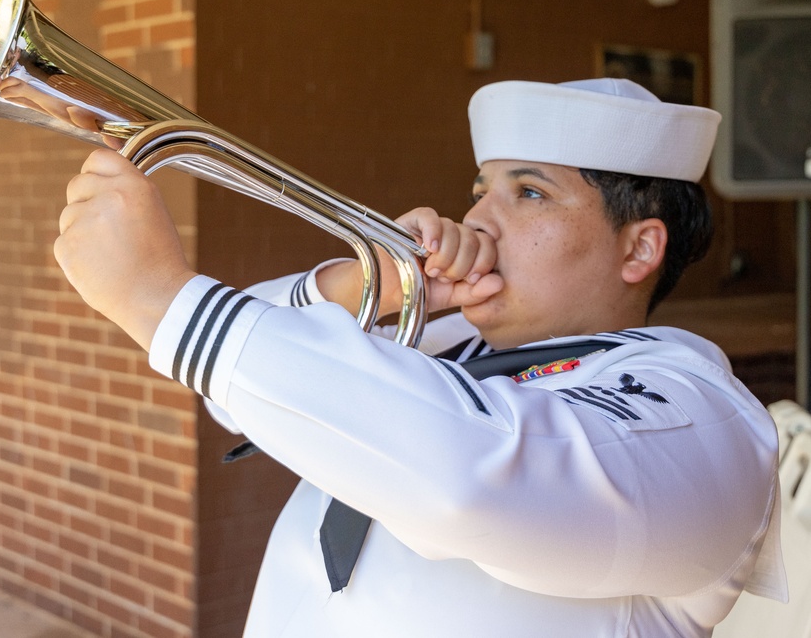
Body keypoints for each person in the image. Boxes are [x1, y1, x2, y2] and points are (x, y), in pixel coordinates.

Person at [54, 78, 788, 637]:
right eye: (480, 191)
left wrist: (161, 298)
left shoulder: (697, 410)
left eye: (528, 192)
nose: (475, 219)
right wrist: (361, 284)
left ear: (639, 248)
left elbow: (475, 476)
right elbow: (231, 392)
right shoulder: (447, 344)